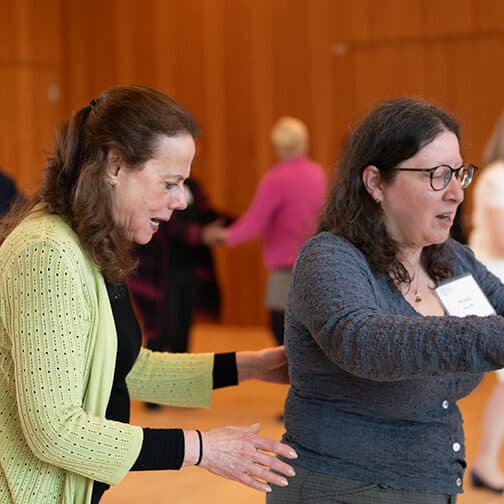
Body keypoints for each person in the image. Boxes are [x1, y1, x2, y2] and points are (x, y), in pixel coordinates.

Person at [0, 85, 298, 504]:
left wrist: (251, 366)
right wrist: (200, 449)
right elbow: (55, 432)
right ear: (115, 166)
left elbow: (124, 370)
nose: (180, 201)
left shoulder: (89, 242)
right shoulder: (47, 253)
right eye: (170, 183)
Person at [267, 97, 504, 504]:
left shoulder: (451, 260)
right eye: (437, 175)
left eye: (459, 174)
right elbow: (365, 342)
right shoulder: (330, 258)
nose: (455, 194)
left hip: (432, 485)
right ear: (376, 182)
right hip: (339, 489)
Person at [206, 117, 326, 344]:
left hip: (285, 268)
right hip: (314, 262)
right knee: (308, 334)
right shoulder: (317, 174)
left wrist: (225, 237)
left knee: (282, 333)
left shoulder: (276, 178)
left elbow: (255, 221)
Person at [128, 177, 231, 355]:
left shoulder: (193, 186)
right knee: (162, 330)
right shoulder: (155, 184)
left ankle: (179, 378)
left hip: (188, 269)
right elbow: (166, 226)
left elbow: (207, 214)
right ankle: (152, 380)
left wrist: (242, 226)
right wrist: (201, 234)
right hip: (160, 272)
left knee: (183, 329)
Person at [468, 110, 504, 493]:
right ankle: (485, 464)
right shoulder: (496, 176)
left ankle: (487, 462)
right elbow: (500, 239)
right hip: (488, 285)